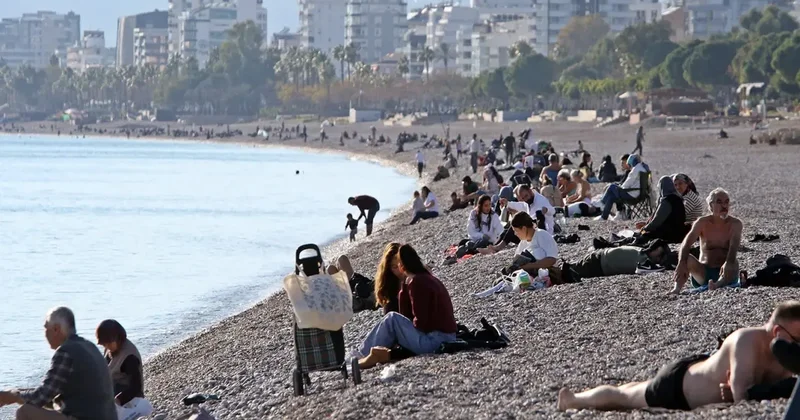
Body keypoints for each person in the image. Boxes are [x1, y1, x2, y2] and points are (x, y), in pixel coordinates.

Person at [557, 300, 800, 411]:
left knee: (630, 388)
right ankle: (574, 400)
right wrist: (754, 391)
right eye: (798, 339)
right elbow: (742, 397)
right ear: (777, 332)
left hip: (699, 369)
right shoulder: (746, 340)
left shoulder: (782, 350)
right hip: (679, 388)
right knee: (624, 397)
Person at [0, 307, 117, 420]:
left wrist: (13, 396)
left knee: (25, 412)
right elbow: (51, 396)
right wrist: (16, 393)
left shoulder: (65, 352)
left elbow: (41, 398)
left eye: (46, 328)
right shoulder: (89, 346)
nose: (44, 334)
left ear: (56, 329)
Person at [355, 244, 457, 369]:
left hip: (435, 341)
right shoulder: (426, 278)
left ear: (402, 265)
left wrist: (405, 329)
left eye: (397, 265)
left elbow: (421, 323)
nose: (396, 270)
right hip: (446, 337)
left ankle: (360, 356)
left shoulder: (417, 282)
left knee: (392, 318)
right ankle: (363, 354)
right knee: (394, 319)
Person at [671, 188, 743, 293]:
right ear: (711, 205)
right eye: (719, 202)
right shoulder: (702, 222)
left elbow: (734, 247)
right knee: (686, 258)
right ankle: (677, 288)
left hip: (726, 272)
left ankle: (717, 285)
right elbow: (686, 244)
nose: (724, 205)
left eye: (726, 202)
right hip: (704, 272)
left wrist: (728, 262)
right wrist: (681, 263)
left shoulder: (735, 224)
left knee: (733, 261)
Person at [96, 320, 153, 420]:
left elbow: (136, 387)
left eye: (109, 343)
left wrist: (118, 400)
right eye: (104, 344)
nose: (107, 346)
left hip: (127, 395)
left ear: (118, 338)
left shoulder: (129, 357)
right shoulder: (110, 349)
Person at [568, 240, 671, 280]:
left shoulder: (640, 250)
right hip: (596, 264)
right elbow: (647, 270)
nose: (658, 259)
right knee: (565, 273)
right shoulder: (643, 258)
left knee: (569, 268)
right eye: (660, 255)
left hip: (597, 258)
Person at [633, 176, 687, 243]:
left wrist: (644, 229)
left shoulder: (667, 200)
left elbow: (657, 221)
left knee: (643, 234)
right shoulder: (677, 198)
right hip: (679, 232)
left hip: (670, 234)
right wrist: (646, 224)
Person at [595, 154, 648, 221]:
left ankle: (602, 203)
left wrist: (619, 187)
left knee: (612, 186)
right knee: (611, 197)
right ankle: (604, 217)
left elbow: (626, 185)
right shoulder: (642, 168)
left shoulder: (635, 170)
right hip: (638, 194)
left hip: (632, 196)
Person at [373, 242, 403, 314]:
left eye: (402, 265)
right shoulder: (389, 283)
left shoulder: (418, 277)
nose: (400, 270)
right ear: (389, 268)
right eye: (395, 267)